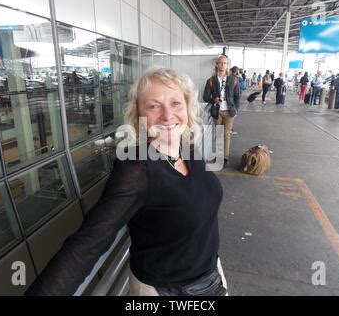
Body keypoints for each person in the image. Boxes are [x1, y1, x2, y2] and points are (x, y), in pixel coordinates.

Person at [25, 67, 229, 296]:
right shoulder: (136, 169)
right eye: (154, 106)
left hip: (211, 276)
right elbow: (91, 240)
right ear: (139, 115)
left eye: (175, 103)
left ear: (187, 107)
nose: (167, 115)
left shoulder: (187, 148)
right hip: (167, 291)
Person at [203, 55, 240, 165]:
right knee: (219, 134)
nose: (222, 65)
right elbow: (205, 97)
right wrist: (213, 100)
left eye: (225, 63)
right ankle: (219, 156)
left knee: (227, 135)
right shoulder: (211, 81)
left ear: (227, 65)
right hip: (217, 112)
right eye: (220, 63)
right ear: (217, 64)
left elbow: (237, 96)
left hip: (229, 112)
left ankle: (225, 157)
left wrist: (235, 110)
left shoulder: (233, 80)